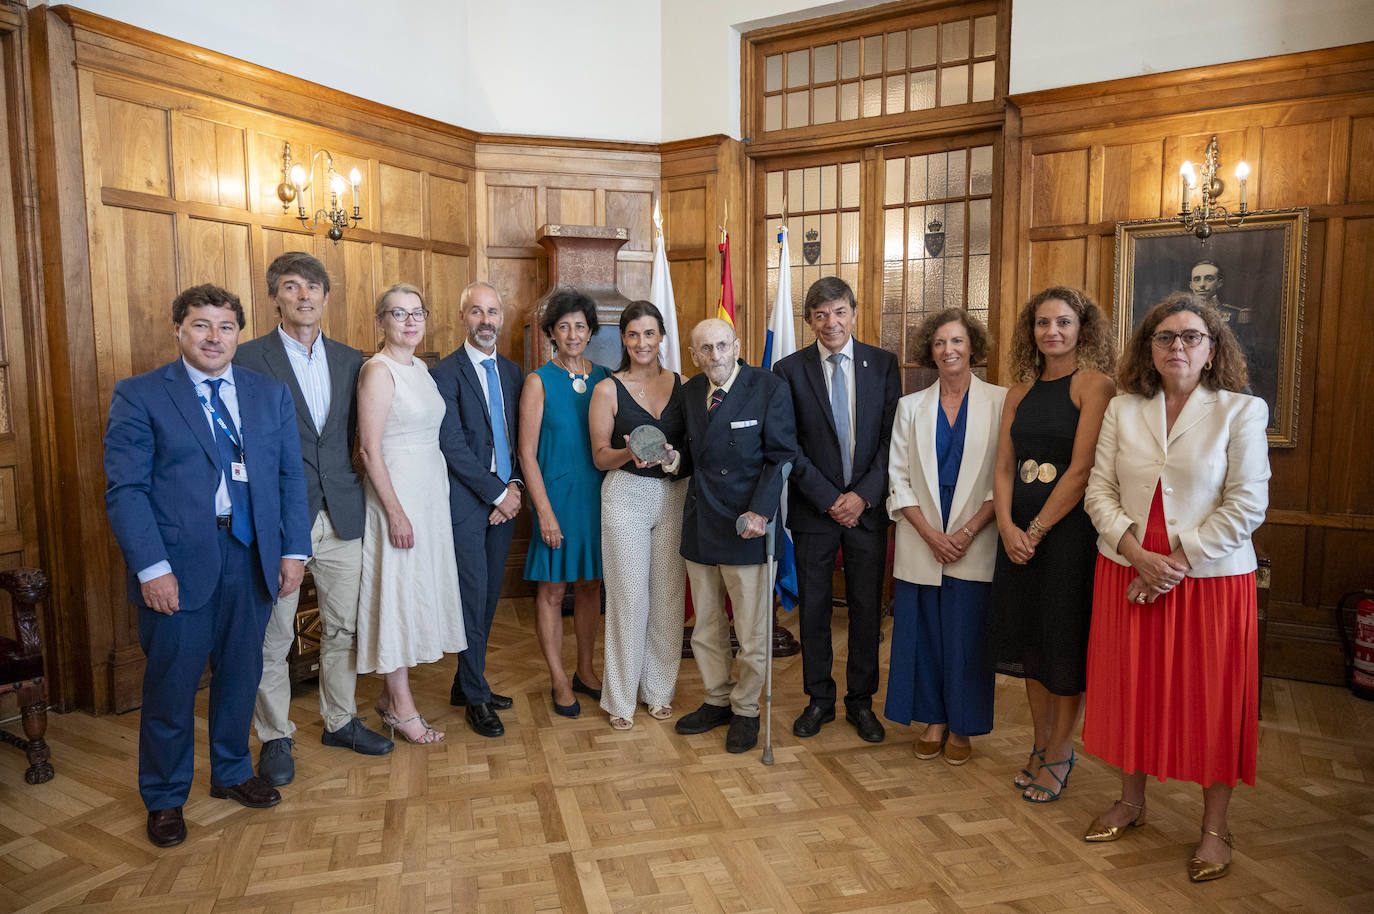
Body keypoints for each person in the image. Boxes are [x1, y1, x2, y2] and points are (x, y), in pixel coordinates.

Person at [104, 283, 311, 848]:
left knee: (241, 674)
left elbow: (292, 478)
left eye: (224, 327)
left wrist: (293, 551)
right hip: (178, 563)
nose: (214, 337)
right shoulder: (141, 394)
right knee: (171, 687)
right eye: (201, 325)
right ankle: (166, 797)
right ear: (179, 330)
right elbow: (125, 490)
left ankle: (232, 773)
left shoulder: (268, 395)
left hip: (253, 557)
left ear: (238, 333)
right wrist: (152, 568)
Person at [1081, 293, 1269, 883]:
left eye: (1191, 337)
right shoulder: (1124, 409)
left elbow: (1248, 504)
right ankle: (1132, 802)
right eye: (1165, 337)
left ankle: (1215, 828)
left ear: (1212, 349)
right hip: (1128, 568)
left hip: (1208, 580)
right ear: (1148, 348)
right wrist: (1139, 556)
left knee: (1211, 702)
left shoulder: (1241, 411)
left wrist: (1175, 562)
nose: (1178, 347)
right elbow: (1098, 493)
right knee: (1133, 689)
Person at [236, 252, 392, 788]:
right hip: (281, 522)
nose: (304, 296)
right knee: (274, 638)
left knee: (344, 628)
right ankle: (275, 736)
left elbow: (361, 439)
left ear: (327, 296)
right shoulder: (248, 359)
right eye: (291, 287)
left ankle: (340, 720)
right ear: (274, 296)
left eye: (312, 288)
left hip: (344, 513)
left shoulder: (355, 361)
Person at [985, 286, 1116, 803]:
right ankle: (1040, 746)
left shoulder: (1095, 385)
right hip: (1015, 533)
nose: (1052, 332)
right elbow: (1002, 468)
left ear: (1081, 328)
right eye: (1042, 323)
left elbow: (1082, 469)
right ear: (1031, 331)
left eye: (1062, 322)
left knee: (1061, 644)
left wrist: (1035, 530)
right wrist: (1007, 526)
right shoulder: (1017, 392)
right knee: (1028, 643)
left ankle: (1061, 751)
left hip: (1066, 536)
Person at [772, 277, 899, 744]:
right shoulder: (787, 371)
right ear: (809, 321)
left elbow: (892, 440)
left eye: (839, 311)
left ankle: (861, 702)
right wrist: (829, 499)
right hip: (814, 513)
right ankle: (819, 699)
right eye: (821, 314)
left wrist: (862, 496)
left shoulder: (883, 365)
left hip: (867, 512)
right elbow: (787, 446)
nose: (832, 322)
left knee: (867, 610)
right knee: (815, 611)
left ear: (853, 311)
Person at [885, 309, 1006, 764]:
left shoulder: (1002, 400)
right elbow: (898, 478)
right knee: (925, 634)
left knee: (967, 635)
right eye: (939, 343)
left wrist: (968, 530)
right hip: (922, 537)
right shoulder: (910, 406)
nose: (948, 350)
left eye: (957, 341)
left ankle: (963, 725)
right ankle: (933, 720)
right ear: (928, 352)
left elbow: (1005, 476)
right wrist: (931, 534)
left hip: (979, 534)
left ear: (972, 346)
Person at [675, 318, 797, 754]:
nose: (715, 356)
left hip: (749, 528)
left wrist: (761, 511)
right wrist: (671, 459)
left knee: (751, 632)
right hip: (702, 524)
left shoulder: (766, 387)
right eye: (705, 349)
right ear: (694, 355)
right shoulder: (689, 392)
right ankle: (716, 699)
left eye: (722, 346)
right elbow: (690, 457)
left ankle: (746, 708)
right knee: (706, 627)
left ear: (737, 345)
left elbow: (782, 456)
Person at [354, 283, 465, 745]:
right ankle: (402, 709)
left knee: (414, 591)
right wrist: (395, 513)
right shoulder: (377, 372)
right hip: (395, 495)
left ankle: (387, 695)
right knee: (396, 595)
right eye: (398, 314)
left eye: (417, 312)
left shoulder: (420, 367)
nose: (410, 320)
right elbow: (368, 449)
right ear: (381, 320)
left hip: (428, 493)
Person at [589, 301, 690, 730]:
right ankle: (620, 700)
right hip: (625, 495)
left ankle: (659, 691)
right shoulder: (607, 389)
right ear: (624, 340)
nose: (642, 343)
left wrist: (671, 458)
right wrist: (627, 453)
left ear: (662, 337)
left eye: (650, 334)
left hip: (674, 494)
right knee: (629, 599)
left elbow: (694, 450)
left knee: (667, 598)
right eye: (633, 335)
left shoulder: (684, 384)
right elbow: (599, 457)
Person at [431, 281, 524, 738]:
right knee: (472, 596)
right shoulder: (444, 374)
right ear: (462, 317)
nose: (485, 320)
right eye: (475, 312)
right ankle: (476, 696)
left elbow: (522, 440)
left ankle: (465, 682)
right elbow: (451, 445)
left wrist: (515, 488)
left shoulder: (513, 372)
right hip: (468, 503)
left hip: (505, 499)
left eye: (492, 312)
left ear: (501, 317)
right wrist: (495, 494)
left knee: (488, 598)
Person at [519, 288, 610, 717]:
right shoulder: (538, 381)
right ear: (551, 333)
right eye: (563, 327)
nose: (573, 334)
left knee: (591, 586)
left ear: (590, 331)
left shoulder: (607, 378)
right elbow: (526, 453)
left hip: (599, 499)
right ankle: (558, 679)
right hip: (556, 500)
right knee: (554, 590)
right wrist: (544, 512)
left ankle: (586, 670)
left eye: (580, 325)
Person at [1188, 260, 1250, 327]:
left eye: (1209, 279)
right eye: (1197, 280)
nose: (1202, 284)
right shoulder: (1182, 312)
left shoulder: (1236, 315)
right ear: (1191, 285)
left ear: (1219, 283)